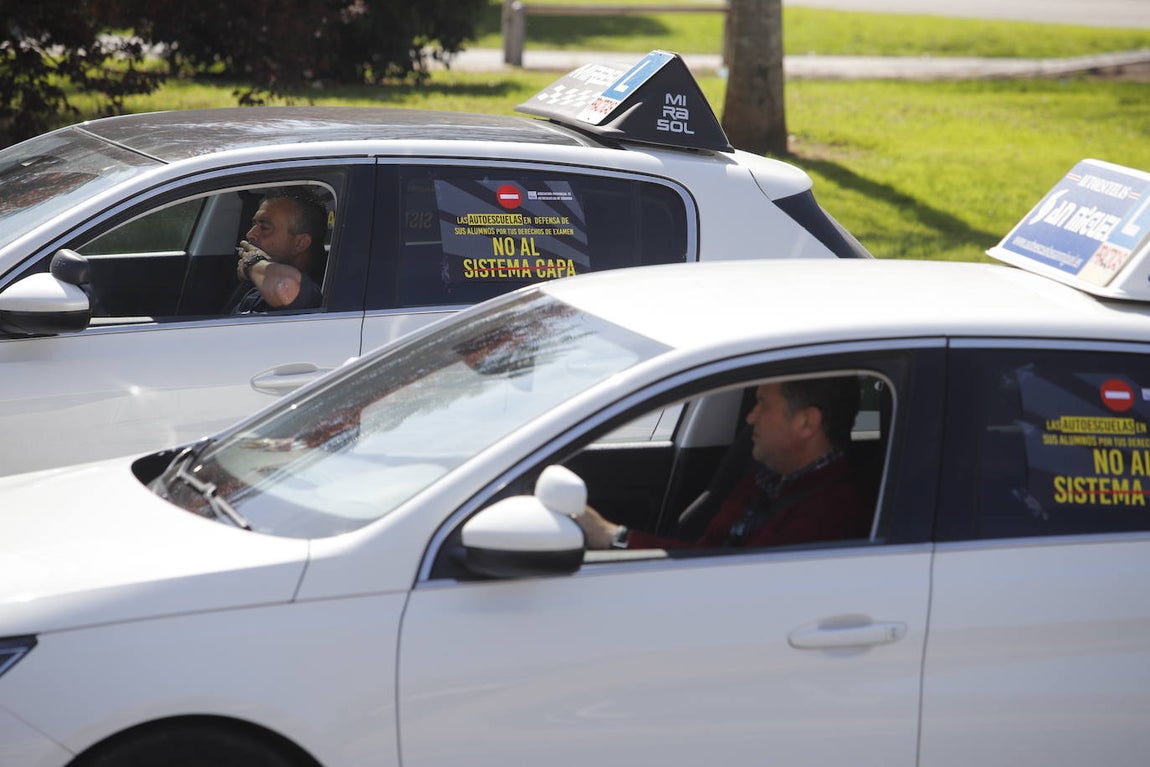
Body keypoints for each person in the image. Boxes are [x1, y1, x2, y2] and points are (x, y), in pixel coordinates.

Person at [577, 377, 873, 550]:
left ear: (807, 422)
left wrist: (614, 537)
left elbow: (730, 578)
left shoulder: (832, 511)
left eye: (763, 404)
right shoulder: (766, 481)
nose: (751, 417)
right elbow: (708, 554)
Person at [230, 188, 327, 314]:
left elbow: (287, 288)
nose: (250, 234)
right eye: (254, 224)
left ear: (299, 243)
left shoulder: (318, 294)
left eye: (264, 228)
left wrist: (252, 263)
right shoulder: (257, 284)